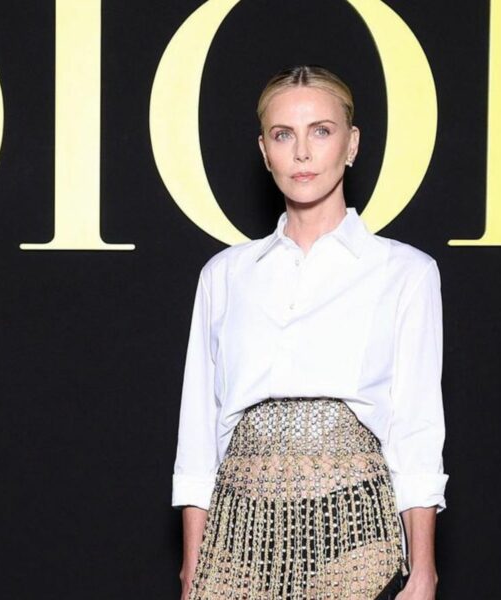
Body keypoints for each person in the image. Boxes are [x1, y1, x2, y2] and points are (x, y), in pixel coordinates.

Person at [172, 64, 449, 600]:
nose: (302, 153)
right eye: (283, 135)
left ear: (352, 144)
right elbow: (198, 436)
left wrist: (423, 569)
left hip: (357, 536)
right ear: (265, 151)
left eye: (321, 131)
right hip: (237, 538)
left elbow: (417, 430)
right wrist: (193, 567)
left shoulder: (405, 272)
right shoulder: (225, 275)